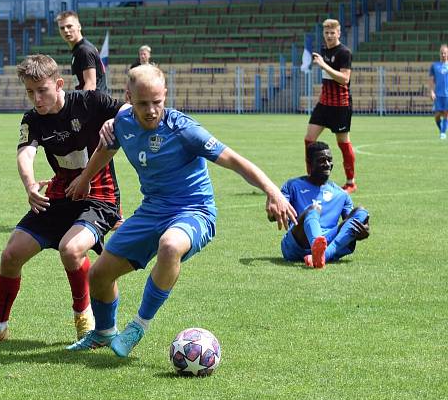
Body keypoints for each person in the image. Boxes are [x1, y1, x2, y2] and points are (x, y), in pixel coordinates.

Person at [64, 65, 297, 358]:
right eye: (142, 103)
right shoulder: (122, 122)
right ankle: (103, 333)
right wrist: (85, 178)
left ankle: (138, 326)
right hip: (152, 211)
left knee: (170, 245)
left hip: (194, 211)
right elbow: (106, 150)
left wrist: (273, 192)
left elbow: (234, 160)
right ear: (129, 98)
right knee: (98, 276)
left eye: (157, 102)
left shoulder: (184, 129)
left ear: (165, 96)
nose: (150, 110)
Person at [0, 54, 125, 344]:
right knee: (11, 255)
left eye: (42, 90)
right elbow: (26, 152)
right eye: (30, 92)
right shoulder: (33, 119)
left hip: (99, 196)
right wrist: (30, 184)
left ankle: (85, 322)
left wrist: (116, 121)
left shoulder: (90, 102)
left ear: (59, 84)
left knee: (71, 250)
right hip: (61, 194)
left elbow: (128, 110)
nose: (36, 99)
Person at [279, 141, 370, 269]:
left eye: (329, 160)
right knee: (313, 209)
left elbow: (349, 224)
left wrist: (362, 230)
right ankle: (322, 252)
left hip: (328, 240)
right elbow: (275, 212)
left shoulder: (341, 194)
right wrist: (274, 211)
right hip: (296, 243)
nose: (327, 164)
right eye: (322, 160)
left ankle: (321, 255)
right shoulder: (293, 185)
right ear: (310, 163)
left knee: (361, 212)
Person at [305, 18, 357, 193]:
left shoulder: (344, 53)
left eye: (332, 33)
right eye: (326, 33)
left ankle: (351, 182)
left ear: (339, 33)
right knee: (309, 139)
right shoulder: (323, 51)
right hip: (324, 103)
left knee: (343, 142)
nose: (329, 36)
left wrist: (323, 65)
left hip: (340, 105)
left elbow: (344, 79)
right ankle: (311, 175)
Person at [56, 10, 109, 94]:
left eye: (69, 26)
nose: (66, 30)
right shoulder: (78, 50)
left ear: (79, 26)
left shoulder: (85, 50)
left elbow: (90, 85)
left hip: (96, 105)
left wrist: (80, 105)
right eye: (62, 28)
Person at [428, 44, 448, 140]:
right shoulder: (434, 66)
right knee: (437, 116)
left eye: (445, 53)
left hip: (447, 94)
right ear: (439, 54)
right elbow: (431, 80)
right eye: (442, 53)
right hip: (438, 94)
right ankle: (441, 130)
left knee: (446, 113)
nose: (443, 55)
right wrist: (431, 91)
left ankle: (443, 133)